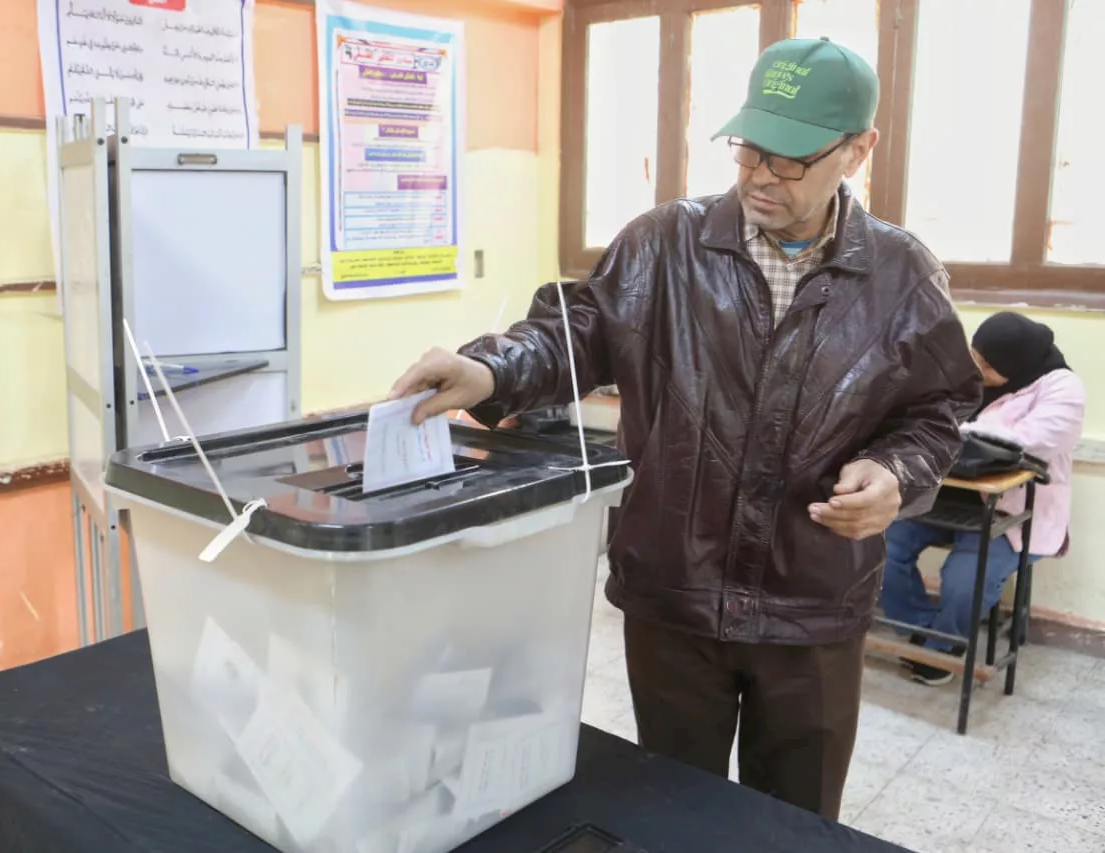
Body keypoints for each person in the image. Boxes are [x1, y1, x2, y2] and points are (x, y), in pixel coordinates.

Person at [388, 37, 982, 820]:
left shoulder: (901, 275)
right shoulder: (663, 244)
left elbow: (939, 407)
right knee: (671, 811)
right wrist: (490, 369)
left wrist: (897, 472)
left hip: (812, 604)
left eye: (790, 159)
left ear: (858, 149)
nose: (760, 175)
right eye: (750, 149)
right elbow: (572, 334)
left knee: (792, 824)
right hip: (675, 593)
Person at [881, 312, 1085, 686]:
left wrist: (963, 433)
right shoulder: (966, 372)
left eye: (989, 365)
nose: (978, 369)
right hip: (946, 496)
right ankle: (924, 632)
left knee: (964, 579)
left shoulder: (1061, 387)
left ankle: (942, 649)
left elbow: (1033, 440)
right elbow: (926, 416)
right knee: (879, 547)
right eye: (976, 356)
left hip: (1009, 507)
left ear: (1017, 363)